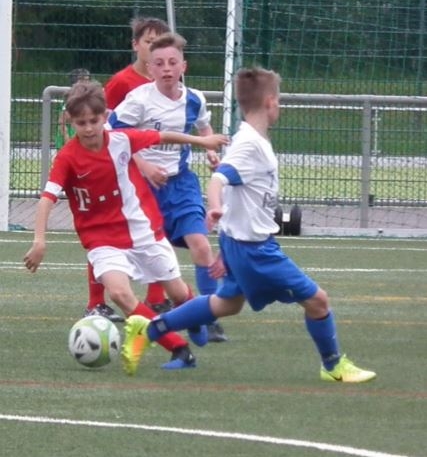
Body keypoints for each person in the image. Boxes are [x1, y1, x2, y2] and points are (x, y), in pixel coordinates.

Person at [120, 67, 377, 383]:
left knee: (226, 303)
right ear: (270, 102)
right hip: (256, 251)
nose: (278, 106)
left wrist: (226, 247)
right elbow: (219, 178)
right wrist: (215, 207)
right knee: (318, 300)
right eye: (278, 100)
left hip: (241, 244)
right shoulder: (249, 145)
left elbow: (239, 194)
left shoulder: (252, 139)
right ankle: (333, 365)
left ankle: (151, 328)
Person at [23, 81, 228, 370]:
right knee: (120, 294)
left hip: (143, 230)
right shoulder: (67, 157)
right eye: (81, 123)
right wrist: (39, 241)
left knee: (179, 293)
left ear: (104, 117)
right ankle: (179, 349)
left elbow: (162, 135)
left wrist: (203, 142)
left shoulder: (121, 140)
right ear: (71, 121)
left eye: (94, 121)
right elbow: (47, 198)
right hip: (101, 239)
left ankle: (194, 317)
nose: (89, 128)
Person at [108, 32, 228, 343]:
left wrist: (210, 150)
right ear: (150, 69)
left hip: (181, 184)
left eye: (172, 62)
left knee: (201, 245)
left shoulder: (194, 99)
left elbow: (203, 126)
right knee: (152, 257)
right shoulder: (138, 101)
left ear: (183, 66)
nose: (166, 69)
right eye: (159, 63)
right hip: (143, 189)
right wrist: (144, 166)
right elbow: (114, 135)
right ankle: (173, 308)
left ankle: (209, 318)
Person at [84, 17, 171, 324]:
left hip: (156, 173)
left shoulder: (167, 83)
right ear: (136, 45)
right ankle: (95, 302)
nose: (154, 48)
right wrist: (140, 163)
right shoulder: (122, 82)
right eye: (149, 42)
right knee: (106, 234)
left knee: (155, 230)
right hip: (123, 172)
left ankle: (156, 297)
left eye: (160, 43)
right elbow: (104, 125)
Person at [55, 68, 91, 149]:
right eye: (83, 80)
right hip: (67, 141)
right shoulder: (70, 99)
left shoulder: (85, 98)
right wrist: (67, 140)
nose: (86, 83)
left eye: (87, 80)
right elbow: (62, 123)